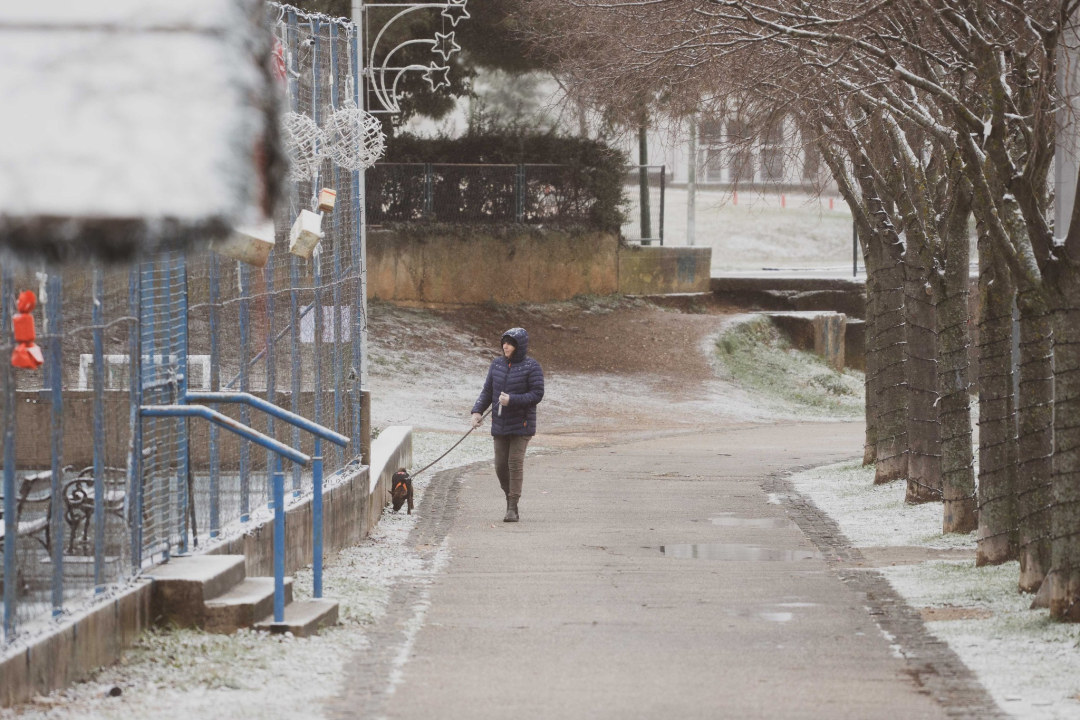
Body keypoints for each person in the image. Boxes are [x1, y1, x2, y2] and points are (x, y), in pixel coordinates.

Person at [471, 327, 544, 522]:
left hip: (522, 424)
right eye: (504, 342)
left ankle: (512, 507)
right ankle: (509, 497)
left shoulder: (532, 366)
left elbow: (537, 394)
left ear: (519, 346)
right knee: (500, 467)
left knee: (514, 464)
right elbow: (487, 391)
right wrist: (477, 411)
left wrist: (513, 400)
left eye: (510, 343)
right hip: (500, 424)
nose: (505, 346)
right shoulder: (496, 365)